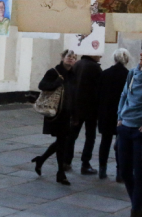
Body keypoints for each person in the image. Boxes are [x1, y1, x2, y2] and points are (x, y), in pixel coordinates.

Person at [116, 45, 142, 217]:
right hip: (125, 125)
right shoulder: (133, 73)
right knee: (125, 171)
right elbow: (124, 94)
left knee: (140, 172)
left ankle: (135, 209)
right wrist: (120, 116)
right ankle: (137, 206)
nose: (141, 54)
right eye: (141, 51)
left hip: (140, 130)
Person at [31, 50, 78, 185]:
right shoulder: (54, 72)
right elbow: (42, 86)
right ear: (62, 57)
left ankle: (41, 160)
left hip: (67, 113)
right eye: (68, 56)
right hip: (56, 113)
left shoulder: (73, 74)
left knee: (62, 141)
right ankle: (60, 173)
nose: (71, 59)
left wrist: (75, 114)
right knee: (62, 141)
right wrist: (56, 82)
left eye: (74, 57)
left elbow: (74, 94)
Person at [97, 49, 130, 180]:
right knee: (120, 143)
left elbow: (98, 94)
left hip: (106, 112)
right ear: (126, 59)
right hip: (121, 113)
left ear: (114, 59)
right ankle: (120, 172)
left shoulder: (105, 73)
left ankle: (102, 170)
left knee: (105, 141)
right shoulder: (128, 75)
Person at [66, 54, 102, 175]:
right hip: (91, 108)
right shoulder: (95, 68)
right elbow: (99, 89)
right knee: (90, 137)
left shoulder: (77, 65)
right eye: (98, 53)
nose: (100, 56)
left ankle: (66, 161)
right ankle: (85, 164)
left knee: (72, 135)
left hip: (76, 107)